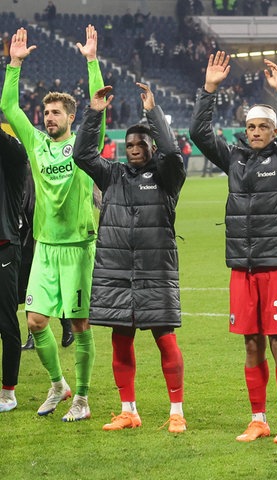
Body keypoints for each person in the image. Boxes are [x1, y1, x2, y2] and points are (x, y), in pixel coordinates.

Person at [189, 51, 277, 444]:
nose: (256, 132)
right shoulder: (235, 159)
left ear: (274, 131)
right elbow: (198, 132)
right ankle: (258, 419)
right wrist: (209, 89)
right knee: (250, 342)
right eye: (251, 126)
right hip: (242, 267)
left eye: (263, 126)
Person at [0, 24, 106, 422]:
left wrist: (92, 62)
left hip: (78, 246)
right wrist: (14, 64)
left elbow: (101, 104)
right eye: (45, 112)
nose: (47, 117)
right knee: (35, 320)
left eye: (55, 112)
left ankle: (82, 396)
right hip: (44, 245)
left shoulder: (84, 144)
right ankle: (58, 384)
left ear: (71, 116)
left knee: (79, 324)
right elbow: (9, 107)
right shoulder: (36, 144)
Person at [73, 83, 187, 433]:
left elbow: (172, 153)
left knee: (165, 340)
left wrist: (153, 113)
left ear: (152, 147)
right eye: (131, 145)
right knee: (120, 342)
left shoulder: (168, 177)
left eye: (142, 144)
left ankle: (177, 411)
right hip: (117, 272)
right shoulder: (113, 175)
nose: (135, 149)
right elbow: (82, 155)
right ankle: (128, 411)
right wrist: (94, 114)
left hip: (155, 272)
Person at [19, 165, 74, 351]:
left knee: (39, 288)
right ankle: (63, 329)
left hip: (38, 241)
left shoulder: (31, 173)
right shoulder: (26, 172)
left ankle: (66, 327)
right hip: (28, 240)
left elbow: (30, 209)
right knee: (34, 288)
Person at [0, 126, 27, 412]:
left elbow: (19, 154)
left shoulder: (12, 165)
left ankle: (8, 392)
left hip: (4, 247)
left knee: (6, 322)